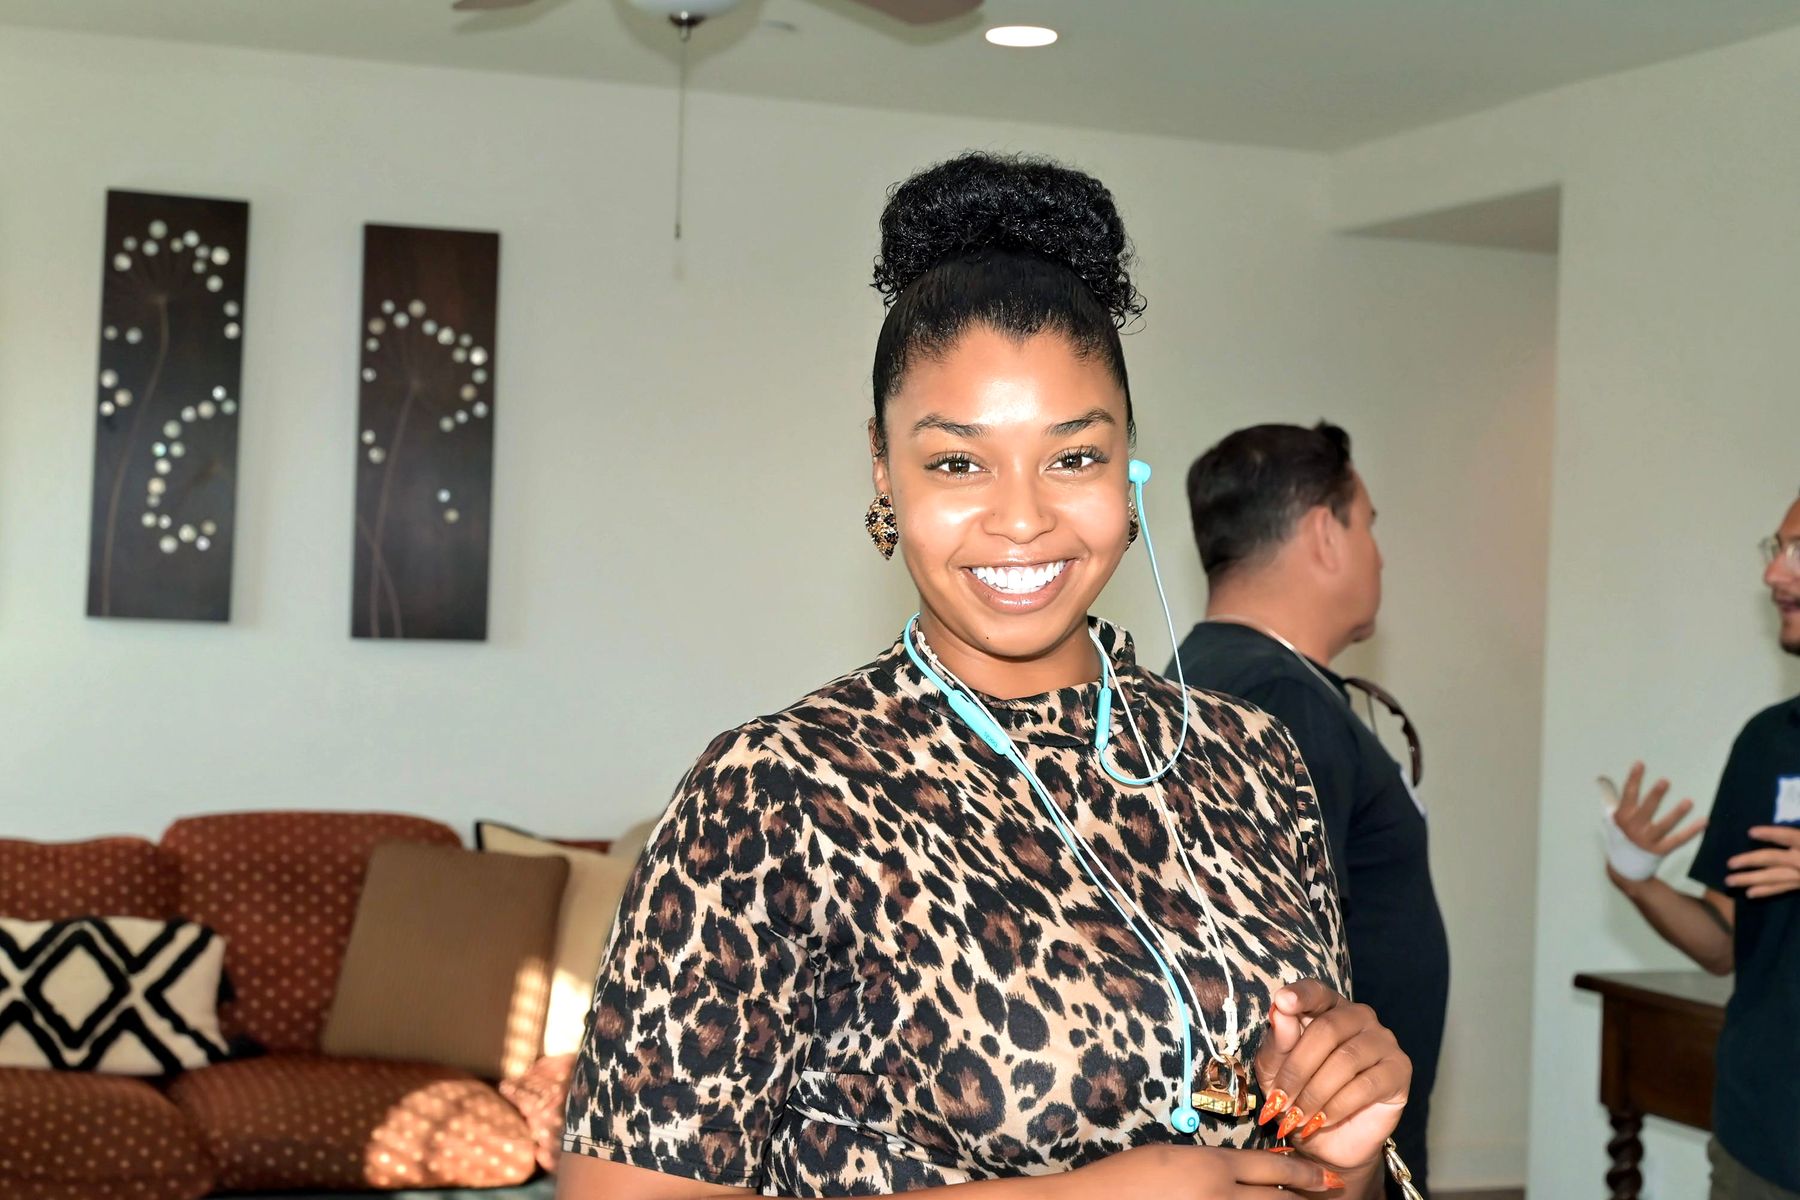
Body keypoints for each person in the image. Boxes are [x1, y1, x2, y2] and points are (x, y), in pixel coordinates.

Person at [557, 154, 1417, 1199]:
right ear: (884, 467)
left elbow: (1294, 1165)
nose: (1022, 519)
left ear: (1129, 463)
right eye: (958, 462)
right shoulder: (777, 794)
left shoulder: (1248, 761)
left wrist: (1341, 1155)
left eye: (1074, 457)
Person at [1167, 425, 1447, 1198]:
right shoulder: (1275, 700)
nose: (1380, 556)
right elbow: (1279, 980)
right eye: (1369, 526)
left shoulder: (1212, 673)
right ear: (1326, 532)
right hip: (1327, 1160)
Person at [1601, 491, 1800, 1199]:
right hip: (1763, 1143)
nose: (1774, 574)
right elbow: (1722, 943)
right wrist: (1637, 877)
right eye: (1776, 549)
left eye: (1799, 551)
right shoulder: (1767, 743)